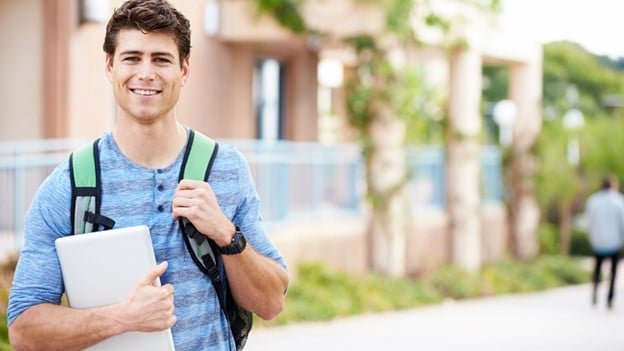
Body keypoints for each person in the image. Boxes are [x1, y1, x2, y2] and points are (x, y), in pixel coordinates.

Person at [7, 0, 289, 350]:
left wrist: (225, 234)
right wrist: (122, 317)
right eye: (132, 58)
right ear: (110, 66)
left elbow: (272, 303)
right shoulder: (70, 186)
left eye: (161, 59)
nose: (146, 73)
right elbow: (23, 329)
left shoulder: (225, 168)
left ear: (184, 71)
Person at [586, 174, 624, 310]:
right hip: (614, 243)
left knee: (597, 270)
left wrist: (592, 238)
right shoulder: (619, 201)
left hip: (598, 242)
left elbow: (589, 223)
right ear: (613, 185)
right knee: (613, 273)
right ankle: (609, 298)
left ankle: (595, 292)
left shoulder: (593, 201)